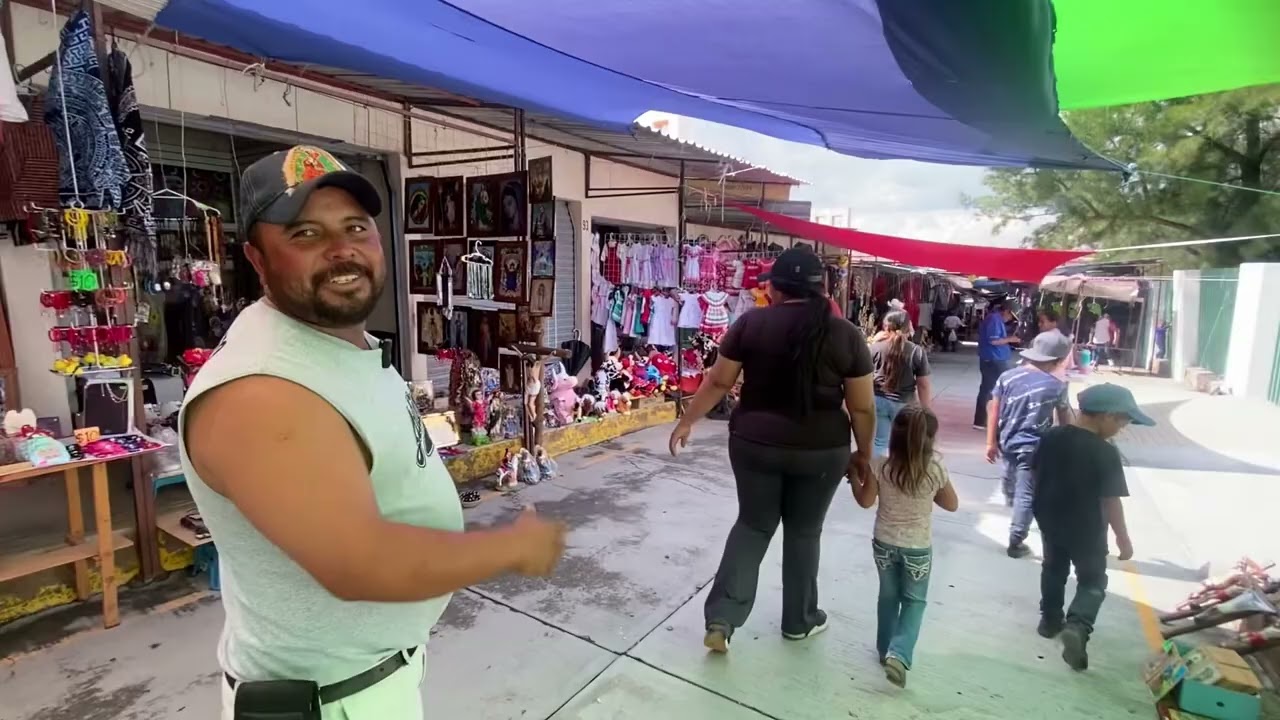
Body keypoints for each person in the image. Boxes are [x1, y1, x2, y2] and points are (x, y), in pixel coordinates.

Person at [179, 146, 567, 720]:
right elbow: (359, 561)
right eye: (305, 233)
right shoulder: (260, 392)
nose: (342, 250)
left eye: (356, 227)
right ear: (257, 259)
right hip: (328, 702)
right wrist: (511, 546)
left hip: (370, 681)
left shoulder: (342, 348)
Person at [668, 247, 876, 653]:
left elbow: (717, 383)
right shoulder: (846, 334)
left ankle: (723, 619)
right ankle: (799, 621)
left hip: (754, 444)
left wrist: (687, 420)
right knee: (803, 532)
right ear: (822, 289)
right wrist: (863, 453)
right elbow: (862, 405)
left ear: (774, 289)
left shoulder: (751, 324)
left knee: (753, 525)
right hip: (821, 450)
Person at [1033, 383, 1152, 671]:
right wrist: (1123, 539)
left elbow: (1035, 471)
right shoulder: (1106, 453)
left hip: (1049, 518)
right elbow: (1111, 503)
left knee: (1053, 568)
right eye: (1123, 421)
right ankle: (1078, 626)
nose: (1122, 428)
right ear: (1107, 416)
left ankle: (1050, 621)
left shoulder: (1051, 436)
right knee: (1092, 581)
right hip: (1086, 529)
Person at [852, 406, 957, 689]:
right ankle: (899, 654)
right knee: (914, 601)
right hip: (918, 548)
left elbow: (865, 501)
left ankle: (884, 648)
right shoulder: (935, 468)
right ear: (930, 439)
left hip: (884, 542)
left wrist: (852, 477)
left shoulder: (880, 465)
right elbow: (951, 504)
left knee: (888, 596)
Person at [985, 331, 1072, 559]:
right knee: (1027, 493)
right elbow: (1065, 421)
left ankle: (1014, 507)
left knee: (1012, 476)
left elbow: (993, 409)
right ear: (1057, 361)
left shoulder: (1007, 377)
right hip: (1036, 447)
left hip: (1008, 440)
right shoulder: (1057, 386)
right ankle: (1016, 540)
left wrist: (990, 441)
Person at [869, 310, 932, 457]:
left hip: (878, 401)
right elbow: (923, 384)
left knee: (879, 442)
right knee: (903, 444)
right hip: (905, 405)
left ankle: (875, 475)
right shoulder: (916, 351)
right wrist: (925, 410)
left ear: (885, 327)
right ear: (907, 326)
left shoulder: (874, 348)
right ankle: (898, 476)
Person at [973, 303, 1019, 429]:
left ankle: (985, 420)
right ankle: (983, 420)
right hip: (993, 359)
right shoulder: (994, 319)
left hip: (996, 358)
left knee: (991, 389)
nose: (1010, 319)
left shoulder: (995, 320)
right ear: (1006, 311)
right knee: (992, 389)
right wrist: (1010, 339)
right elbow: (993, 340)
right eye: (1011, 316)